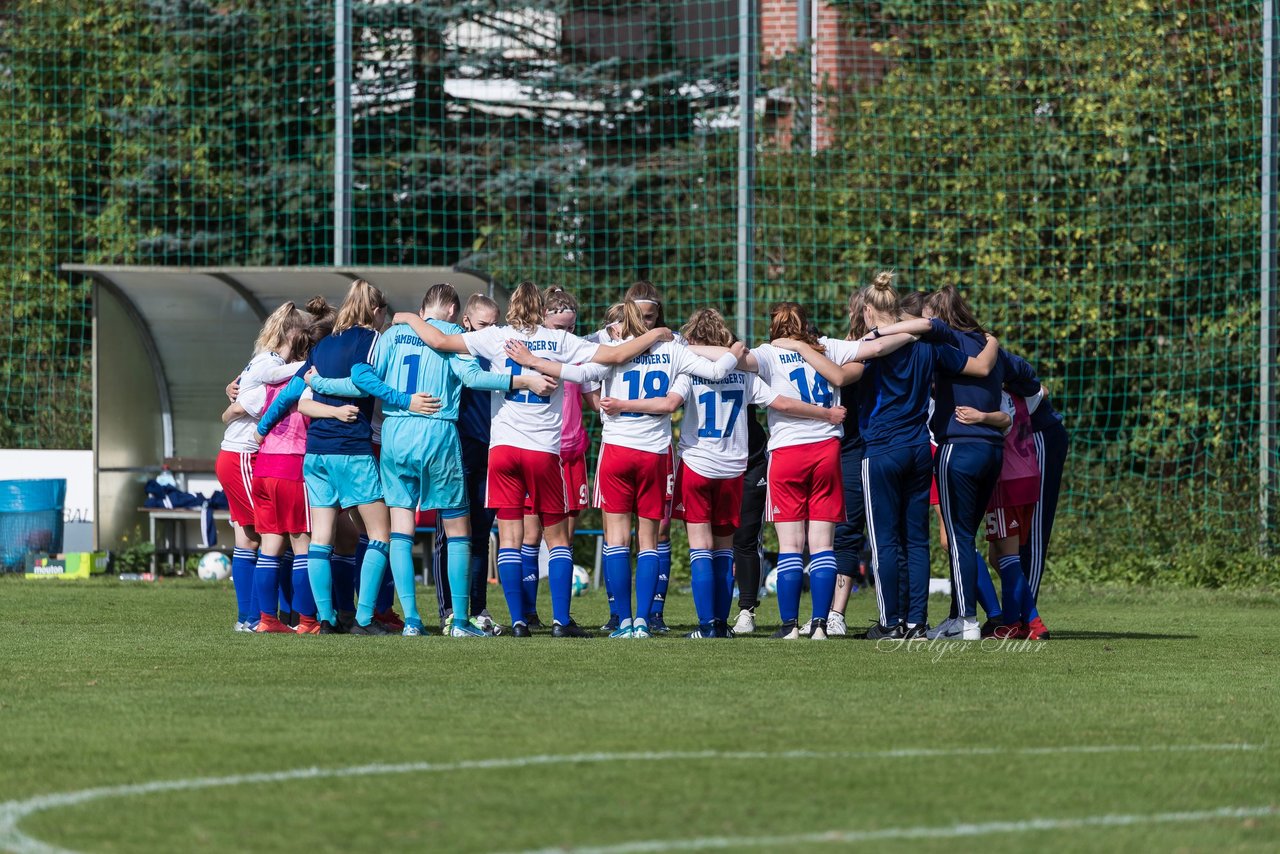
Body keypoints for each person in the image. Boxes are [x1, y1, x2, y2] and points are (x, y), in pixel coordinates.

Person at [392, 281, 673, 638]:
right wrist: (659, 332)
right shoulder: (558, 340)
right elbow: (616, 356)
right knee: (557, 539)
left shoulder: (496, 336)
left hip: (503, 450)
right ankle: (560, 621)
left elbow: (438, 341)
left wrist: (405, 317)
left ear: (511, 307)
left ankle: (520, 622)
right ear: (541, 309)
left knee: (509, 538)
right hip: (543, 451)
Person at [309, 283, 554, 637]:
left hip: (395, 434)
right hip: (436, 432)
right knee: (458, 529)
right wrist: (522, 380)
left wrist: (326, 385)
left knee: (401, 531)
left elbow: (363, 379)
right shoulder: (455, 335)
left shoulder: (393, 334)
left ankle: (411, 620)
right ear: (454, 313)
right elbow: (474, 377)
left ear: (424, 308)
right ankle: (458, 620)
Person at [522, 300, 742, 638]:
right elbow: (715, 372)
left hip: (618, 453)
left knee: (618, 541)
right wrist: (736, 349)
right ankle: (643, 620)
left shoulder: (614, 350)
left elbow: (580, 375)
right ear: (655, 321)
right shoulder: (674, 350)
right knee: (649, 542)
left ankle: (622, 621)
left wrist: (534, 362)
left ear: (625, 321)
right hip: (654, 454)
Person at [256, 280, 439, 634]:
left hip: (317, 455)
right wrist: (406, 400)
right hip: (351, 452)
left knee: (321, 540)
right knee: (380, 536)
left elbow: (293, 390)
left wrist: (263, 428)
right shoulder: (370, 340)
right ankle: (364, 618)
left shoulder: (324, 345)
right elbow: (362, 378)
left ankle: (325, 620)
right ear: (376, 311)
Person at [736, 302, 916, 639]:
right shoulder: (827, 346)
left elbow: (733, 359)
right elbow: (877, 346)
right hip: (827, 451)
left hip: (787, 452)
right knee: (822, 545)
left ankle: (789, 626)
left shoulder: (767, 353)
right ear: (806, 323)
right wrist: (917, 330)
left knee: (791, 545)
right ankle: (820, 624)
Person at [849, 273, 998, 639]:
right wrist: (991, 343)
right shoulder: (927, 347)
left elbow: (839, 375)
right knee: (917, 540)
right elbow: (974, 363)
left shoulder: (864, 348)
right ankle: (916, 622)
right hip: (919, 450)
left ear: (869, 310)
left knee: (885, 540)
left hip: (881, 450)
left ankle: (890, 623)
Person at [217, 301, 310, 631]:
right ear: (294, 334)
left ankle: (254, 617)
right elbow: (243, 404)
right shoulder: (269, 363)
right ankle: (255, 617)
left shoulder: (263, 363)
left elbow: (238, 396)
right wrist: (314, 363)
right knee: (261, 536)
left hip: (241, 456)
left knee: (252, 537)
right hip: (242, 454)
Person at [516, 286, 590, 630]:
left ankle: (562, 615)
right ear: (544, 321)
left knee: (563, 539)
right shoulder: (529, 353)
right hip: (541, 450)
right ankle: (529, 613)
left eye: (571, 328)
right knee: (531, 536)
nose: (565, 334)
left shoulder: (579, 353)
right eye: (559, 327)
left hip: (572, 455)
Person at [433, 293, 503, 634]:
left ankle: (479, 609)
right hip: (458, 446)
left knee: (480, 533)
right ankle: (448, 609)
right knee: (449, 533)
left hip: (493, 448)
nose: (490, 331)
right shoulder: (456, 348)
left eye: (495, 325)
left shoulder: (501, 348)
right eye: (483, 325)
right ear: (466, 323)